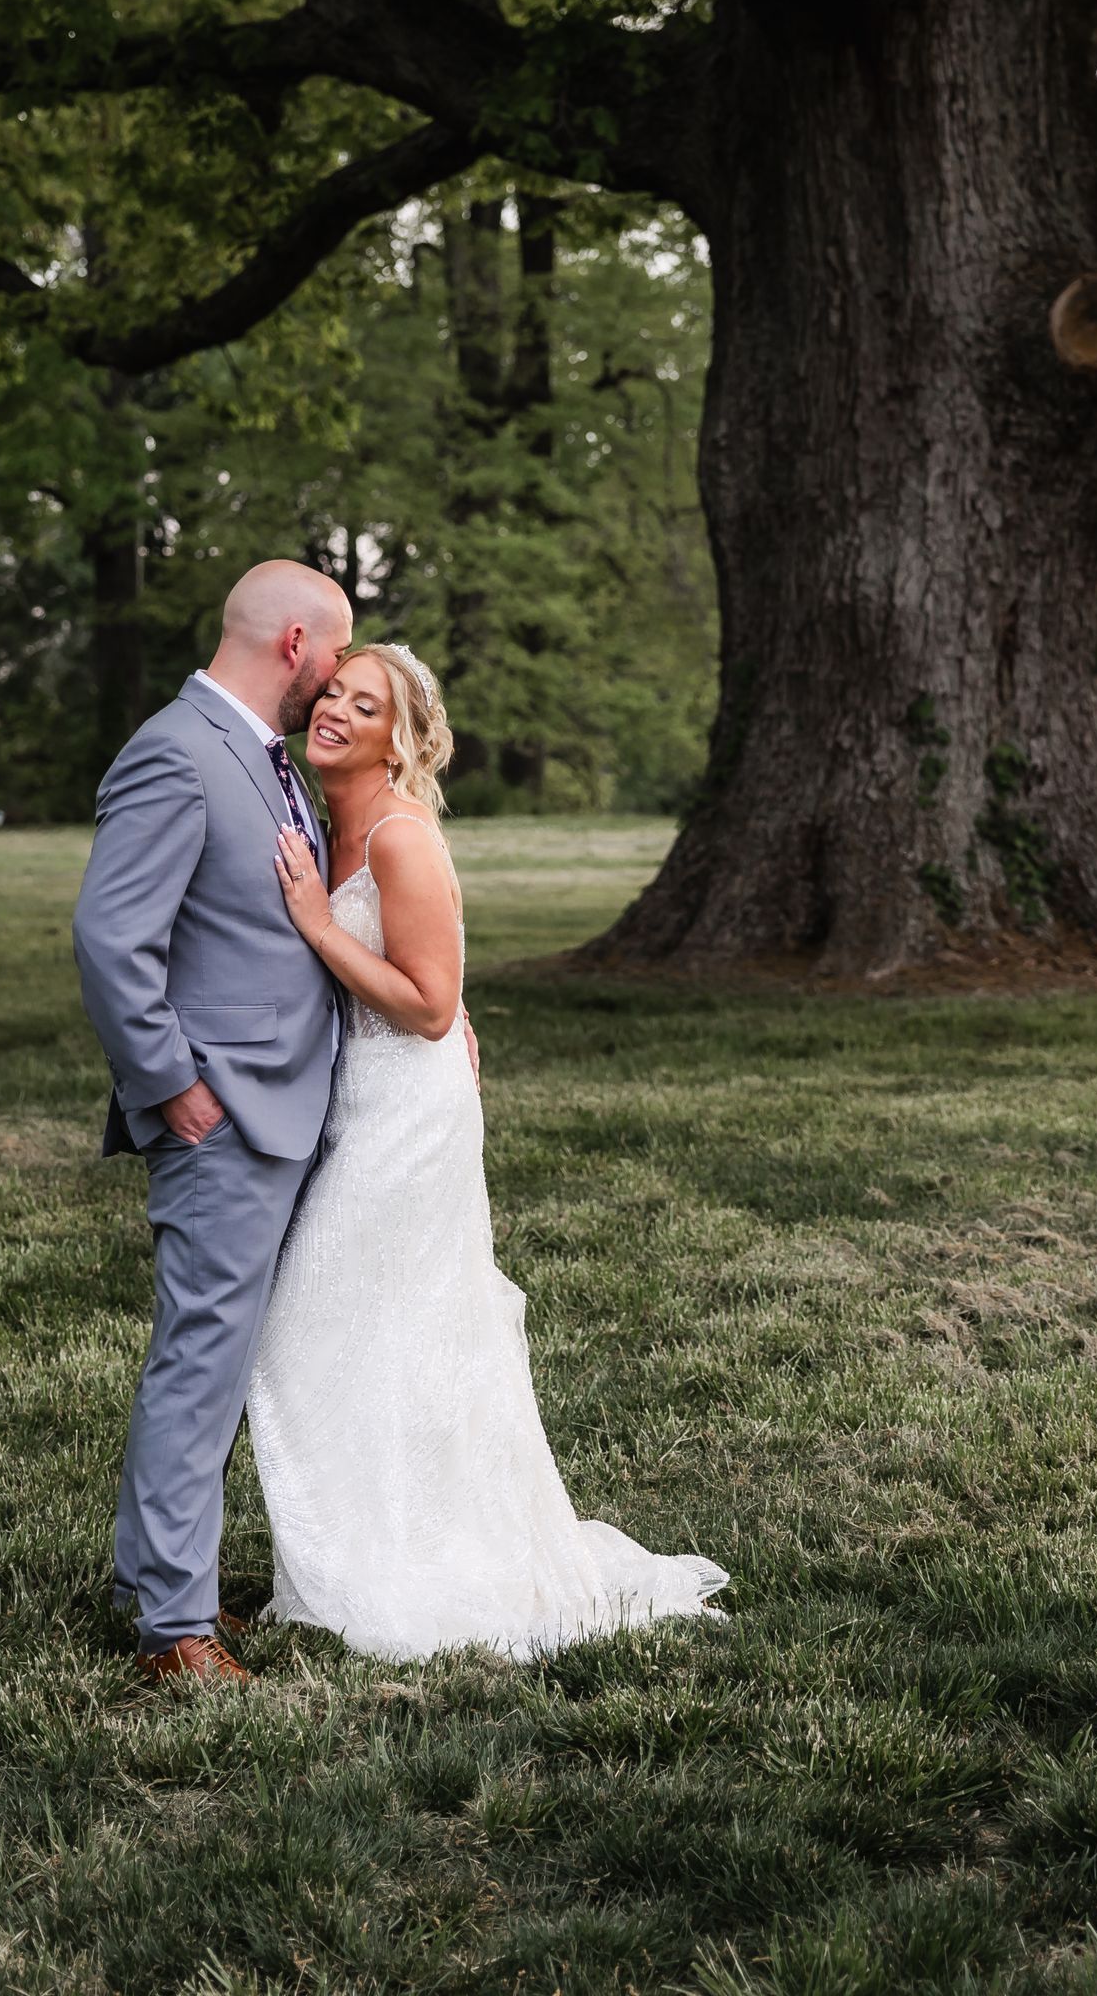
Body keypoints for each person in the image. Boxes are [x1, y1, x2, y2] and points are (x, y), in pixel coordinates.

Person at [247, 639, 727, 1661]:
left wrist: (312, 925)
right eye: (331, 692)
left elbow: (428, 1009)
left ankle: (404, 1566)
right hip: (354, 1102)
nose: (334, 709)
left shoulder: (399, 839)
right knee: (377, 1334)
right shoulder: (321, 819)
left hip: (408, 1114)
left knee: (313, 1328)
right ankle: (367, 1549)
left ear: (400, 741)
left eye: (364, 706)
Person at [72, 558, 353, 1686]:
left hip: (281, 1102)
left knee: (222, 1360)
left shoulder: (259, 755)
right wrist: (169, 1082)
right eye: (335, 654)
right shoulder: (177, 751)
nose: (337, 679)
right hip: (223, 1114)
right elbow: (109, 937)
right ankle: (173, 1635)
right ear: (295, 644)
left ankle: (160, 1579)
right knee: (201, 1361)